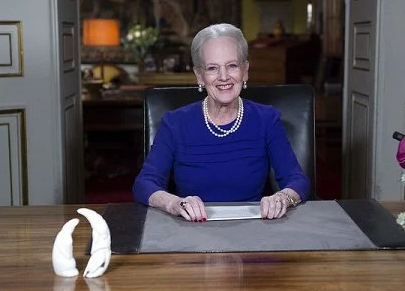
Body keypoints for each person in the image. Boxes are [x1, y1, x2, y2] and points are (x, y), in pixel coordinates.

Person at [132, 23, 310, 221]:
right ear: (199, 75)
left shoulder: (267, 119)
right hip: (191, 229)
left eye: (232, 65)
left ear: (245, 71)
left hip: (253, 228)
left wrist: (282, 198)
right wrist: (174, 203)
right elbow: (144, 183)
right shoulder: (175, 123)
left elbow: (297, 179)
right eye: (212, 68)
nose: (223, 76)